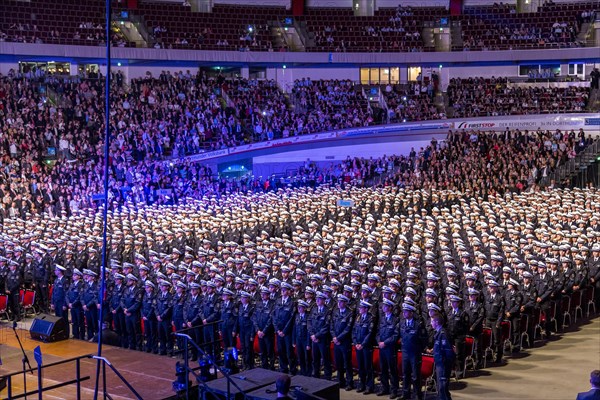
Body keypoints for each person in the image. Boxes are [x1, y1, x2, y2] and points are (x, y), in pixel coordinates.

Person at [400, 303, 427, 400]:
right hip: (405, 352)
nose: (404, 313)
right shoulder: (402, 323)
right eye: (403, 311)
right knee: (405, 374)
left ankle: (417, 394)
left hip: (415, 353)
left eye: (406, 311)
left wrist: (419, 349)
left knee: (416, 375)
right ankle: (405, 393)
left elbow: (424, 339)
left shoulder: (418, 324)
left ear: (411, 313)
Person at [376, 298, 400, 399]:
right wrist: (378, 342)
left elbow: (395, 335)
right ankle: (384, 388)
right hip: (382, 348)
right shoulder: (382, 318)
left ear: (390, 307)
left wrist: (385, 343)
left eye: (385, 306)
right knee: (383, 369)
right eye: (383, 305)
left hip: (390, 348)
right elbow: (377, 332)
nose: (383, 307)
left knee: (392, 370)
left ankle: (394, 390)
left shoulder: (396, 319)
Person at [331, 294, 354, 390]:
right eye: (338, 301)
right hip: (336, 342)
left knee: (347, 363)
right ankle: (340, 381)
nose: (339, 303)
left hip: (344, 342)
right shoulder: (335, 311)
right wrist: (334, 337)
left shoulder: (350, 313)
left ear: (345, 302)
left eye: (341, 302)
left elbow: (348, 328)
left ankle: (350, 383)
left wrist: (338, 338)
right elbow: (331, 326)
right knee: (338, 363)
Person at [352, 300, 375, 394]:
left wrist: (362, 344)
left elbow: (370, 333)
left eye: (361, 308)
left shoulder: (370, 319)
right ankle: (361, 384)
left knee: (368, 367)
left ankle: (369, 386)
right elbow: (353, 331)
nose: (359, 309)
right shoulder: (358, 317)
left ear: (366, 309)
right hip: (358, 346)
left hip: (366, 347)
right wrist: (355, 343)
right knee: (360, 366)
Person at [431, 314, 455, 400]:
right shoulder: (438, 333)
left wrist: (445, 364)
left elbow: (448, 351)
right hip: (439, 363)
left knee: (442, 387)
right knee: (441, 387)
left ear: (436, 322)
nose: (431, 323)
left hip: (443, 364)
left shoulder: (443, 334)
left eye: (432, 321)